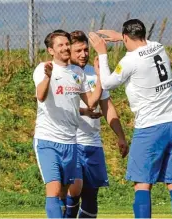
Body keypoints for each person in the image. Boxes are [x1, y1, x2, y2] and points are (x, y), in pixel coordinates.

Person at [88, 19, 172, 218]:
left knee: (142, 183)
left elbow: (107, 83)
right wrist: (121, 36)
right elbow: (143, 42)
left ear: (126, 37)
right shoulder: (158, 47)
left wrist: (102, 52)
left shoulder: (130, 61)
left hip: (150, 128)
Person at [33, 29, 102, 218]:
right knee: (54, 192)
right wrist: (47, 77)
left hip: (71, 143)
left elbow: (92, 102)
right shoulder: (44, 68)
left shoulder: (77, 72)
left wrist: (100, 75)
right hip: (48, 140)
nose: (65, 47)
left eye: (66, 44)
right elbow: (40, 95)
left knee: (65, 193)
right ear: (51, 50)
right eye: (60, 45)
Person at [62, 30, 128, 218]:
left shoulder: (93, 72)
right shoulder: (63, 75)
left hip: (92, 143)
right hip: (71, 142)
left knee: (91, 197)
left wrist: (121, 136)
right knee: (74, 190)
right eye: (78, 51)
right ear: (68, 51)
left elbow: (107, 107)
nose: (83, 54)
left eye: (85, 50)